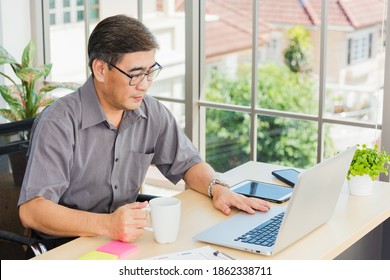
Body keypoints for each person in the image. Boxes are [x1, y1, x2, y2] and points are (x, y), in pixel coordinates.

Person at [18, 14, 271, 255]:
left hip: (125, 241)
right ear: (100, 69)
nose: (145, 84)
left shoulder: (151, 111)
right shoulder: (59, 122)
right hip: (67, 248)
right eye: (136, 74)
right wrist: (108, 224)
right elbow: (32, 211)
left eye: (150, 72)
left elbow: (188, 163)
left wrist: (218, 188)